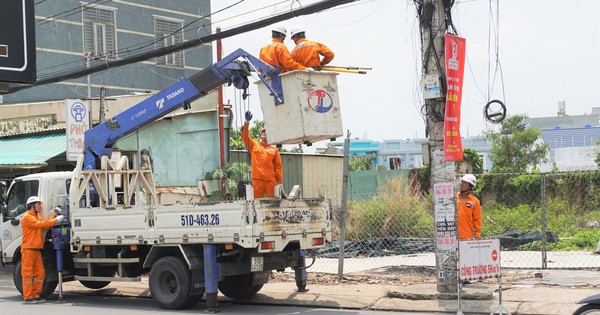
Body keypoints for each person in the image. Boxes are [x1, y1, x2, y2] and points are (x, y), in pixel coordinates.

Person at [20, 196, 64, 304]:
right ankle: (28, 297)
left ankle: (36, 295)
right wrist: (55, 220)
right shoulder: (27, 217)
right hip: (28, 249)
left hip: (36, 248)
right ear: (32, 205)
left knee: (40, 273)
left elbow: (45, 226)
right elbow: (40, 225)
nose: (40, 206)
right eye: (38, 204)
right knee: (28, 274)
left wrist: (54, 214)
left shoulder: (37, 216)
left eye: (40, 204)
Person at [241, 111, 283, 198]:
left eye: (267, 134)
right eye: (263, 134)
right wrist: (247, 122)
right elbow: (245, 136)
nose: (265, 136)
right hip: (257, 180)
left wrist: (280, 182)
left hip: (270, 181)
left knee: (272, 203)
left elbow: (278, 168)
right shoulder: (254, 145)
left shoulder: (274, 150)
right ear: (260, 136)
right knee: (257, 203)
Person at [457, 174, 482, 239]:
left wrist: (477, 234)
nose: (462, 184)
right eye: (462, 181)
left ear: (470, 186)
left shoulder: (475, 201)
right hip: (451, 235)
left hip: (466, 236)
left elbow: (477, 219)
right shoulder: (453, 197)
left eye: (465, 183)